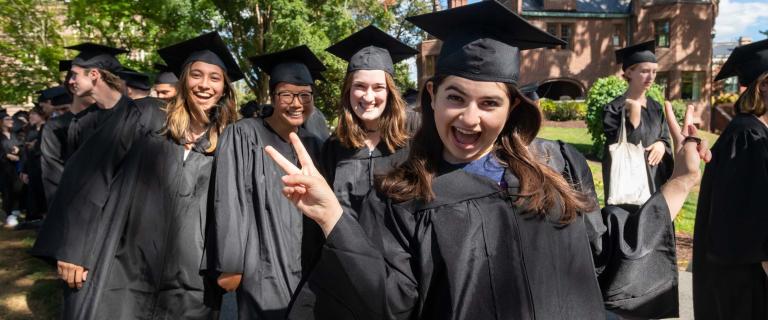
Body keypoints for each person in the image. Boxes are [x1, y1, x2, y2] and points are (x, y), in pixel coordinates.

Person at [267, 2, 710, 319]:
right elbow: (390, 301)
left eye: (490, 103)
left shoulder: (557, 167)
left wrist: (684, 179)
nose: (470, 118)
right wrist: (331, 217)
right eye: (455, 97)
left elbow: (615, 251)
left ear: (512, 107)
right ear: (432, 98)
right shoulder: (402, 195)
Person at [31, 42, 166, 319]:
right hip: (88, 234)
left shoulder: (144, 116)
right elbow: (66, 186)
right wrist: (68, 242)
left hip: (133, 237)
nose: (69, 81)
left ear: (94, 75)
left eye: (75, 74)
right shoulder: (82, 123)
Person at [207, 44, 327, 319]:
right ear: (272, 96)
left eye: (305, 95)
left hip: (309, 263)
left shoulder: (316, 145)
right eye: (286, 94)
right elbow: (229, 197)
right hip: (262, 263)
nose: (296, 103)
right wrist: (231, 263)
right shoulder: (244, 134)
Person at [693, 38, 768, 320]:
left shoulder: (754, 133)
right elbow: (749, 224)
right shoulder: (746, 137)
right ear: (762, 85)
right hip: (745, 282)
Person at [321, 25, 417, 219]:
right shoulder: (334, 147)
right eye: (360, 86)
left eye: (378, 87)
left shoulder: (415, 133)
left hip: (403, 248)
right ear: (348, 90)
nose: (368, 96)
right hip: (347, 247)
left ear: (390, 92)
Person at [602, 40, 673, 202]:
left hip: (655, 177)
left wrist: (662, 145)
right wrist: (633, 113)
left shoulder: (655, 107)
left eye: (654, 71)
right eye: (644, 71)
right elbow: (623, 143)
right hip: (627, 184)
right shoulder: (613, 108)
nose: (651, 77)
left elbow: (665, 137)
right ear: (628, 72)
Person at [19, 105, 48, 223]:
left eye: (34, 114)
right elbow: (25, 153)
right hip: (32, 167)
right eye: (30, 114)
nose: (30, 116)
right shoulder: (30, 131)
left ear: (42, 115)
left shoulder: (48, 128)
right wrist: (24, 171)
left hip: (46, 167)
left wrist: (36, 146)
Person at [0, 110, 22, 226]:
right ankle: (7, 214)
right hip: (3, 168)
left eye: (11, 119)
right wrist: (7, 155)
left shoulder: (13, 134)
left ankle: (14, 211)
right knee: (6, 190)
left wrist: (18, 150)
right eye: (7, 119)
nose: (11, 121)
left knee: (17, 188)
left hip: (15, 167)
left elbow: (19, 145)